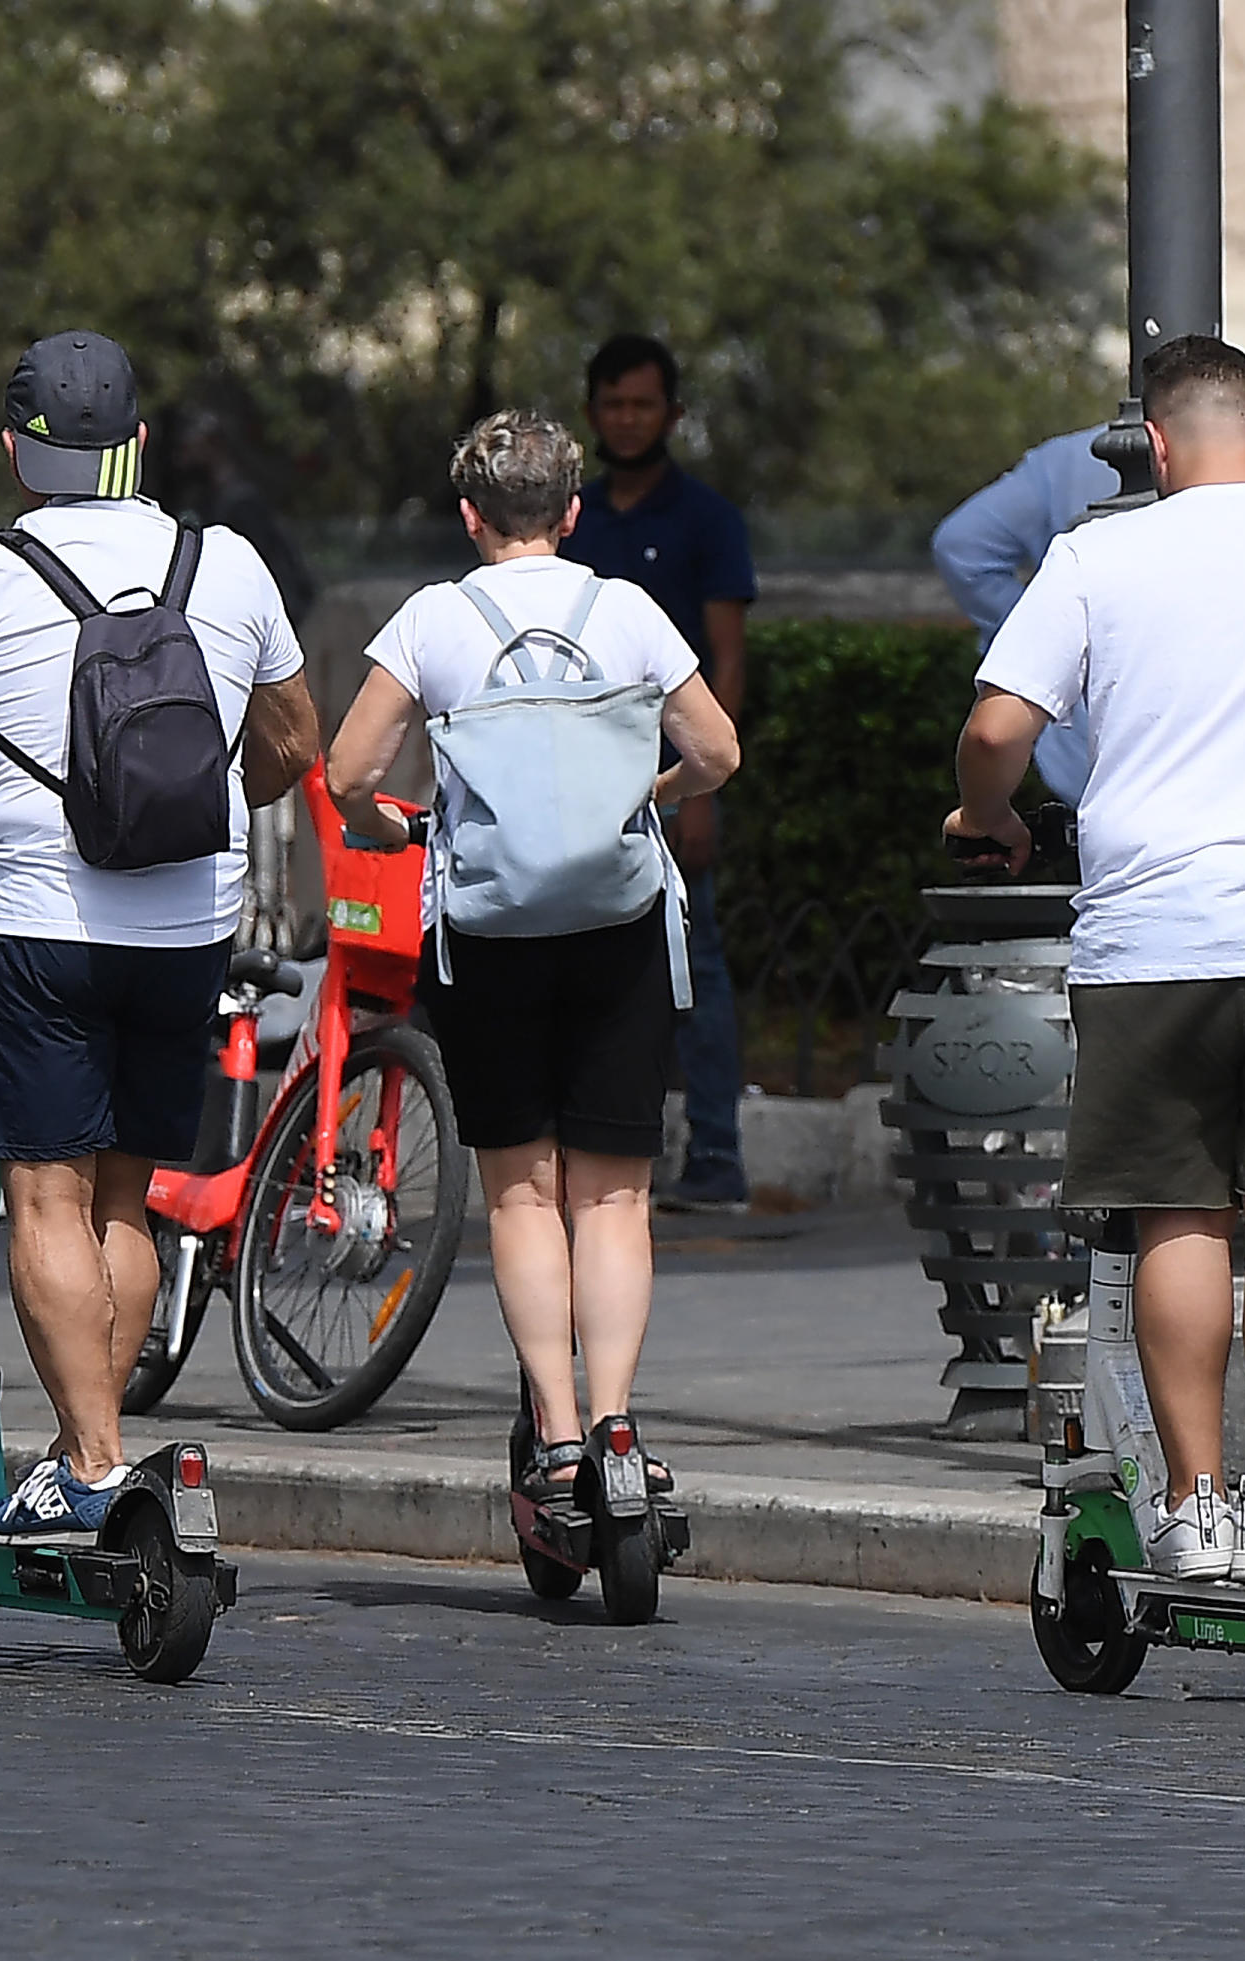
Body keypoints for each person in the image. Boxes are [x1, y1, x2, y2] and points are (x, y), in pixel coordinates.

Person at [946, 336, 1245, 1585]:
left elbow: (997, 727)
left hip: (1158, 930)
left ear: (1154, 447)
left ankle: (1190, 1501)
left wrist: (987, 815)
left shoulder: (1098, 554)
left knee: (1177, 1211)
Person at [0, 330, 320, 1542]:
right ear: (139, 443)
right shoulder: (228, 566)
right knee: (126, 1202)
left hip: (40, 932)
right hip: (188, 932)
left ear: (17, 452)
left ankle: (97, 1462)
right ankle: (85, 1450)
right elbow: (291, 750)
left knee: (42, 1202)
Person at [328, 410, 742, 1510]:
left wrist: (388, 825)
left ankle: (555, 1437)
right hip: (617, 927)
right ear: (571, 511)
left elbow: (346, 769)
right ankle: (616, 1426)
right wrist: (650, 796)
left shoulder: (432, 620)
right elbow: (718, 751)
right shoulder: (630, 611)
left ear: (470, 515)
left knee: (522, 1193)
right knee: (614, 1196)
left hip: (490, 935)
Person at [560, 334, 758, 1213]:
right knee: (575, 960)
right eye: (614, 404)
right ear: (593, 411)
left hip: (670, 776)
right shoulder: (575, 520)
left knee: (696, 963)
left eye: (644, 404)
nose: (629, 420)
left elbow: (726, 657)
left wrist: (702, 785)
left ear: (672, 414)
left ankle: (716, 1153)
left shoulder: (708, 520)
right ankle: (584, 1145)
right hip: (573, 774)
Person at [931, 419, 1245, 801]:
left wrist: (1047, 643)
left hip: (1093, 769)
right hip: (1241, 759)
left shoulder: (1067, 461)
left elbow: (962, 546)